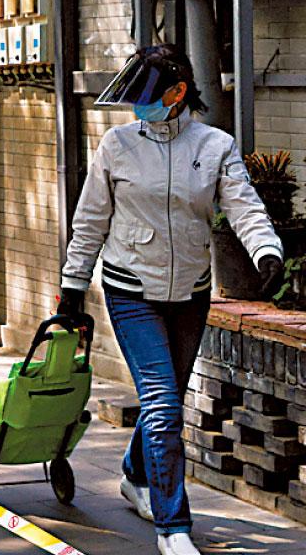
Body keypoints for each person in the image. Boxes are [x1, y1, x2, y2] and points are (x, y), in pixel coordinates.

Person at [59, 44, 283, 555]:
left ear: (177, 93)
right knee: (162, 406)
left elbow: (244, 206)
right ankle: (173, 527)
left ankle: (135, 474)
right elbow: (90, 220)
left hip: (190, 293)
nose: (138, 109)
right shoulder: (117, 145)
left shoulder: (215, 145)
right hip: (131, 290)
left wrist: (266, 251)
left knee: (168, 400)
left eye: (148, 97)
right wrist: (73, 285)